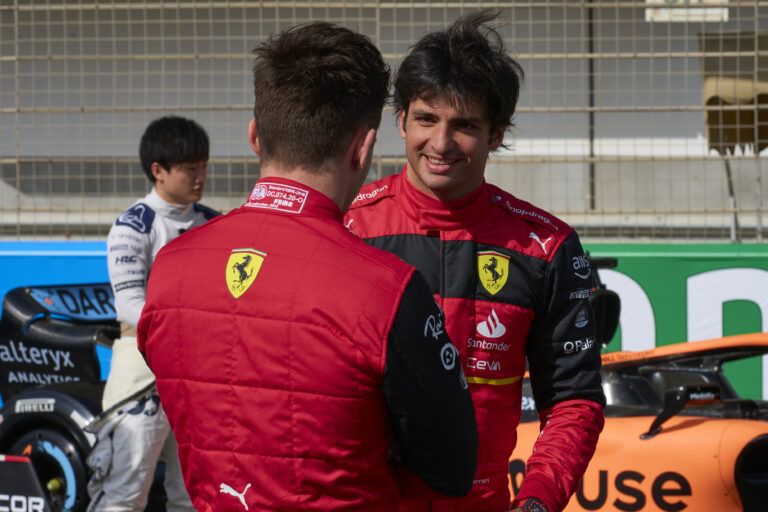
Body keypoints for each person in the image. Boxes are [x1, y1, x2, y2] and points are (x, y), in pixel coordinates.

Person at [137, 22, 478, 512]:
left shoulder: (170, 269)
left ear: (255, 137)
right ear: (362, 149)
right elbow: (453, 469)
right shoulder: (387, 288)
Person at [344, 11, 605, 512]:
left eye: (464, 125)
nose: (440, 144)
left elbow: (575, 401)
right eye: (426, 119)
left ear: (497, 133)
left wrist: (537, 502)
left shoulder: (545, 247)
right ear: (400, 121)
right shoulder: (348, 229)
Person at [90, 115, 218, 512]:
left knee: (193, 495)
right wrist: (187, 330)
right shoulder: (132, 226)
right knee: (123, 493)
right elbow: (129, 302)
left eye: (203, 166)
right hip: (140, 368)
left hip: (199, 372)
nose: (200, 177)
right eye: (189, 168)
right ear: (158, 170)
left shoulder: (215, 224)